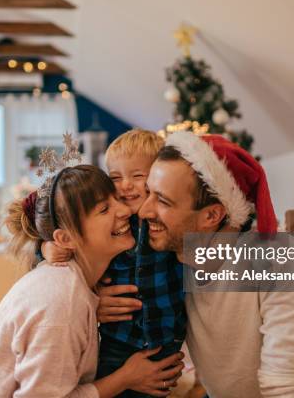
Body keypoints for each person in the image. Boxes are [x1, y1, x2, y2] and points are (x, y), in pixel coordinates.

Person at [101, 132, 294, 397]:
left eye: (163, 201)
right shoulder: (172, 258)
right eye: (148, 193)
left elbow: (284, 382)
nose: (144, 211)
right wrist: (97, 301)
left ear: (212, 214)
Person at [0, 165, 184, 397]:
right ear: (65, 238)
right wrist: (124, 379)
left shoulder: (71, 280)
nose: (125, 211)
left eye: (117, 200)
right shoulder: (63, 300)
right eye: (104, 210)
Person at [42, 130, 187, 397]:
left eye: (137, 176)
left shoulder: (170, 223)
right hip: (117, 341)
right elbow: (75, 243)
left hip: (165, 342)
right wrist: (47, 248)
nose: (125, 186)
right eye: (116, 177)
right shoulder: (114, 225)